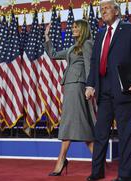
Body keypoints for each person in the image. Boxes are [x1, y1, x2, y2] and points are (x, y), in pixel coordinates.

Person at [85, 0, 131, 180]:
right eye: (101, 9)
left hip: (126, 90)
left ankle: (126, 176)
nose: (103, 11)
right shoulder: (100, 34)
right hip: (104, 92)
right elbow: (95, 62)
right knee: (100, 134)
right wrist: (90, 85)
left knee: (126, 135)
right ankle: (97, 172)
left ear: (116, 10)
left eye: (106, 8)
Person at [44, 19, 95, 176]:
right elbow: (52, 55)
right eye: (72, 27)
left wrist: (89, 86)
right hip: (70, 86)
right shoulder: (73, 47)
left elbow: (88, 66)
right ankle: (96, 160)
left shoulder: (87, 44)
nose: (73, 29)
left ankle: (61, 160)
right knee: (75, 122)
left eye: (76, 27)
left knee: (76, 122)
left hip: (79, 86)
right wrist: (47, 37)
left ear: (83, 29)